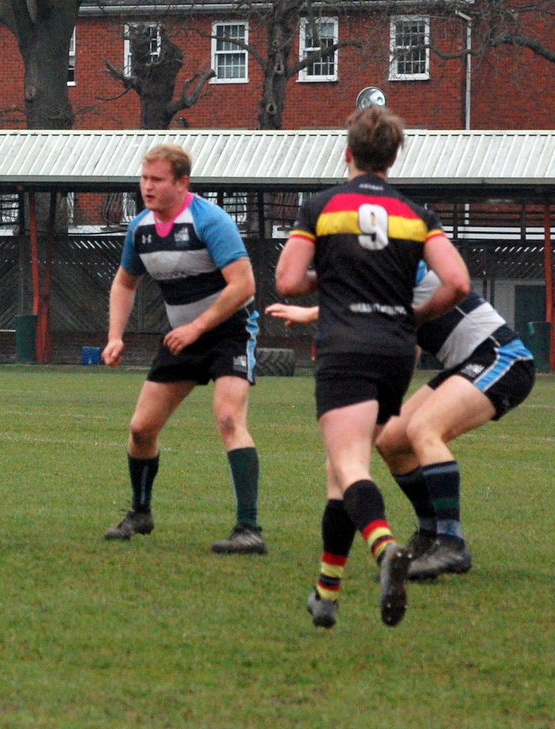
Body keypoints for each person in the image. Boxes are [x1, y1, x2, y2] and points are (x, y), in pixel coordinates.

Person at [275, 105, 470, 629]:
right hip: (396, 352)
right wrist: (415, 314)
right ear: (393, 158)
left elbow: (288, 280)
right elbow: (458, 283)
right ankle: (326, 593)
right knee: (340, 472)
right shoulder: (416, 215)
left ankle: (385, 549)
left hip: (346, 347)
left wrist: (335, 275)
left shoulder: (321, 207)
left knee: (350, 465)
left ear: (348, 153)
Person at [267, 266, 534, 581]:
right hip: (466, 364)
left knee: (424, 429)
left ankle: (451, 542)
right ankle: (429, 535)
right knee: (392, 441)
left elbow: (372, 305)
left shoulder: (403, 264)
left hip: (502, 358)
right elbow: (406, 348)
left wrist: (313, 313)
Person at [101, 143, 266, 555]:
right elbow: (124, 283)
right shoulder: (140, 229)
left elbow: (244, 285)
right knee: (141, 429)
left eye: (157, 180)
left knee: (228, 417)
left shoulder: (210, 221)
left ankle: (248, 528)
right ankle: (140, 512)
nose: (147, 187)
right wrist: (115, 335)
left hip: (229, 333)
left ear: (181, 182)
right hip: (183, 336)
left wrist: (198, 326)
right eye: (144, 178)